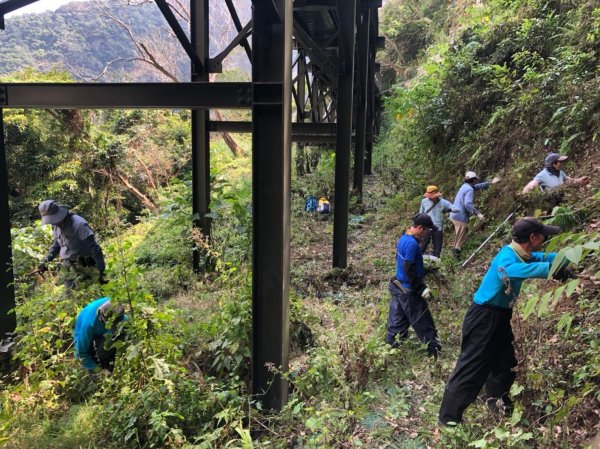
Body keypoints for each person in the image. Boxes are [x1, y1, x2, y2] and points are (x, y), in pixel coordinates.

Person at [438, 217, 572, 426]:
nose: (545, 238)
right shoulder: (507, 257)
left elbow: (545, 257)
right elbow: (508, 272)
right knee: (471, 367)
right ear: (533, 237)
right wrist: (550, 271)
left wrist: (576, 255)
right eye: (543, 235)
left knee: (505, 363)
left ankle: (497, 402)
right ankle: (448, 420)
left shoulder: (523, 254)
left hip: (500, 317)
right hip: (484, 318)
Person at [386, 213, 441, 358]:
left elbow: (403, 262)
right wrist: (421, 288)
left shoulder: (403, 239)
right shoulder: (412, 244)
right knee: (423, 322)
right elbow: (408, 268)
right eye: (428, 230)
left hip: (399, 286)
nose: (428, 233)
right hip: (408, 290)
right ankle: (433, 351)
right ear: (421, 228)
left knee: (397, 322)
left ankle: (391, 348)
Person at [37, 199, 106, 287]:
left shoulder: (79, 224)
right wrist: (45, 261)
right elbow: (56, 245)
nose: (53, 222)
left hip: (87, 263)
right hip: (68, 265)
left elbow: (95, 249)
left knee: (90, 290)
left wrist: (101, 271)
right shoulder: (55, 226)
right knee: (70, 294)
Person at [450, 171, 500, 259]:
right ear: (473, 180)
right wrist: (478, 213)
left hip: (454, 214)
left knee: (461, 234)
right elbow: (467, 204)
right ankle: (456, 256)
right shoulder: (469, 189)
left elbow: (477, 187)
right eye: (476, 179)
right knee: (461, 237)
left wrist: (491, 183)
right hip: (459, 216)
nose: (476, 181)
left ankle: (456, 251)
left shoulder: (465, 186)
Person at [74, 297, 126, 372]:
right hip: (89, 342)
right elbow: (81, 354)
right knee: (94, 368)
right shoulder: (88, 325)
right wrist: (99, 371)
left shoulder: (117, 308)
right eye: (112, 325)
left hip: (104, 334)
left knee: (119, 337)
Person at [419, 185, 460, 259]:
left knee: (437, 249)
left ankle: (435, 263)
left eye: (431, 196)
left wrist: (448, 210)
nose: (429, 197)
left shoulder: (443, 202)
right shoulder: (424, 201)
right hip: (426, 227)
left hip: (438, 228)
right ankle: (418, 261)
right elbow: (420, 214)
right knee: (422, 246)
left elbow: (456, 209)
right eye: (428, 196)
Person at [522, 152, 589, 194]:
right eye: (560, 162)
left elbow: (569, 180)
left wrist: (579, 181)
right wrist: (525, 192)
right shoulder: (542, 175)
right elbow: (532, 185)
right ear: (553, 164)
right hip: (550, 204)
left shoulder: (561, 173)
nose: (561, 164)